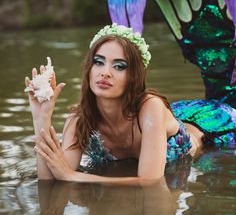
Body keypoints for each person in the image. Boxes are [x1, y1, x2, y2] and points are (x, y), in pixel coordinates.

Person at [25, 23, 236, 183]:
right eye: (99, 62)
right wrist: (41, 117)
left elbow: (150, 182)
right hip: (170, 116)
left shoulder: (150, 107)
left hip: (213, 125)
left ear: (133, 77)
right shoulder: (78, 119)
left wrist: (75, 177)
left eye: (119, 66)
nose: (105, 72)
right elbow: (51, 180)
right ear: (89, 69)